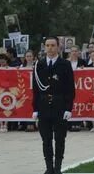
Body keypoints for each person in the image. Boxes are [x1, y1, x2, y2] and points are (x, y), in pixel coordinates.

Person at [32, 36, 75, 174]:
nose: (50, 48)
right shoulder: (39, 65)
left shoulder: (65, 64)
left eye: (53, 45)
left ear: (58, 47)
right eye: (47, 45)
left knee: (60, 139)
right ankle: (49, 168)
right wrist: (35, 108)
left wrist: (68, 108)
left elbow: (70, 88)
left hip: (60, 105)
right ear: (44, 47)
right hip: (44, 106)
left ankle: (57, 168)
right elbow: (36, 89)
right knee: (46, 139)